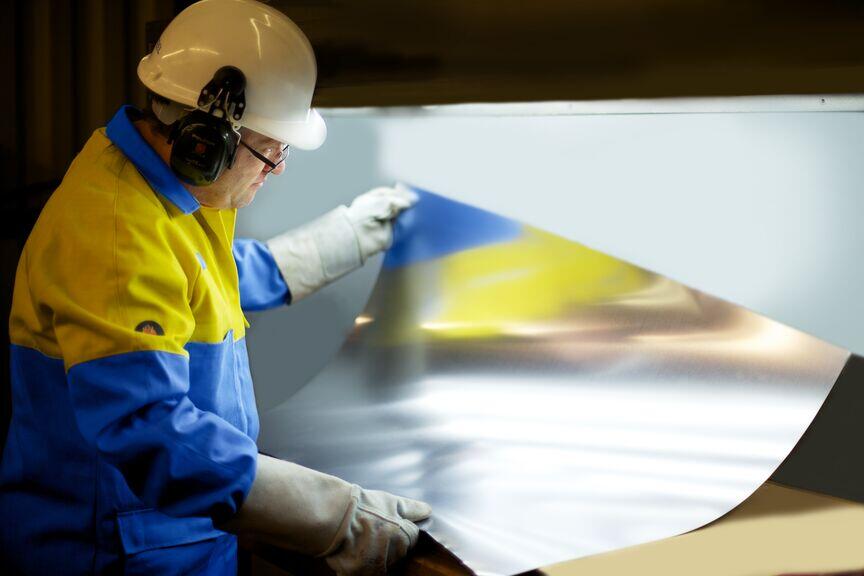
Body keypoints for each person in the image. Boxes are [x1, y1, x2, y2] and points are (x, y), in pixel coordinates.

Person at [0, 1, 430, 574]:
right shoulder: (115, 234)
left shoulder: (163, 191)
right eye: (270, 147)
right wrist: (331, 518)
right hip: (120, 550)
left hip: (180, 529)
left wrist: (351, 235)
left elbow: (209, 277)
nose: (277, 168)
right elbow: (147, 429)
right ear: (206, 139)